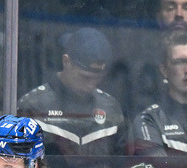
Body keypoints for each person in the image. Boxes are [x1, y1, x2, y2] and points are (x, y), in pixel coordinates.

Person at [17, 27, 126, 158]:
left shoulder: (110, 107)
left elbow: (121, 164)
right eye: (85, 77)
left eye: (98, 78)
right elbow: (19, 163)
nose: (91, 85)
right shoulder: (34, 105)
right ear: (66, 62)